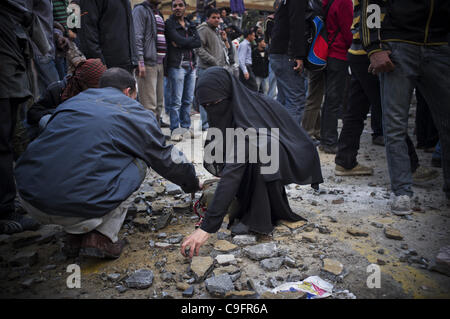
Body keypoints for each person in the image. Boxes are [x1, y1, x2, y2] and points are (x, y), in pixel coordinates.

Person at [15, 68, 201, 259]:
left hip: (30, 198)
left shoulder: (72, 102)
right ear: (128, 92)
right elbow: (165, 158)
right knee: (141, 161)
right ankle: (101, 236)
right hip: (76, 205)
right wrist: (191, 183)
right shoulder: (134, 112)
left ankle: (75, 234)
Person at [180, 67, 323, 258]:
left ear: (228, 94)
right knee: (247, 156)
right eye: (206, 106)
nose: (212, 109)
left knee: (258, 153)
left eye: (215, 103)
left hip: (292, 154)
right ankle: (250, 206)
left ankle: (259, 218)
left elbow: (233, 171)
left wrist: (206, 228)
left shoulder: (249, 116)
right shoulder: (234, 106)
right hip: (268, 150)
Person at [361, 0, 450, 212]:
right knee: (394, 125)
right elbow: (371, 3)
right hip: (399, 43)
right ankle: (402, 192)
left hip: (440, 44)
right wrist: (374, 47)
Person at [0, 0, 45, 234]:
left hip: (14, 76)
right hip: (7, 77)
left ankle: (9, 203)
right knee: (4, 145)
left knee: (9, 140)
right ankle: (5, 210)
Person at [27, 59, 107, 136]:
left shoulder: (101, 94)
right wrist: (62, 114)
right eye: (93, 87)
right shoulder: (58, 90)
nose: (97, 91)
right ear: (82, 83)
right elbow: (33, 113)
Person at [317, 0, 353, 154]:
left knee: (329, 99)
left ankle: (325, 139)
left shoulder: (324, 2)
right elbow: (348, 30)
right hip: (339, 54)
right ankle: (330, 141)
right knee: (334, 100)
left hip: (325, 53)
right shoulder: (344, 2)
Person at [165, 0, 201, 141]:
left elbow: (198, 42)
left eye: (180, 5)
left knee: (188, 100)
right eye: (175, 6)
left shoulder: (190, 23)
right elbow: (177, 40)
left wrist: (182, 43)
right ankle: (175, 130)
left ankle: (186, 128)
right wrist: (187, 42)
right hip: (177, 66)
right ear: (172, 8)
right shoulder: (169, 23)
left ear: (185, 8)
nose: (178, 8)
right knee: (176, 101)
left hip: (191, 66)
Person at [269, 0, 308, 125]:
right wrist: (298, 54)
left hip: (279, 52)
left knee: (284, 100)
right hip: (287, 54)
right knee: (295, 101)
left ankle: (279, 139)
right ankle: (290, 141)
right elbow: (297, 24)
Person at [76, 0, 138, 73]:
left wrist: (135, 59)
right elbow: (87, 34)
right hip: (107, 68)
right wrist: (99, 66)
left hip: (126, 65)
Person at [133, 0, 167, 127]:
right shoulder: (140, 10)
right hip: (147, 64)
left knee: (158, 104)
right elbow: (137, 36)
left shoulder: (157, 12)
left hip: (159, 63)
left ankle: (156, 134)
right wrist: (140, 61)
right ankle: (149, 138)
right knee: (149, 105)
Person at [196, 8, 230, 131]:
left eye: (218, 17)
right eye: (214, 17)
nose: (217, 20)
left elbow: (226, 49)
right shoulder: (203, 29)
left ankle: (211, 123)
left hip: (217, 70)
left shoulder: (217, 31)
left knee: (216, 98)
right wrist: (214, 61)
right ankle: (205, 124)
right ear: (207, 18)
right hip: (206, 69)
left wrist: (224, 38)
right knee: (206, 98)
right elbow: (198, 49)